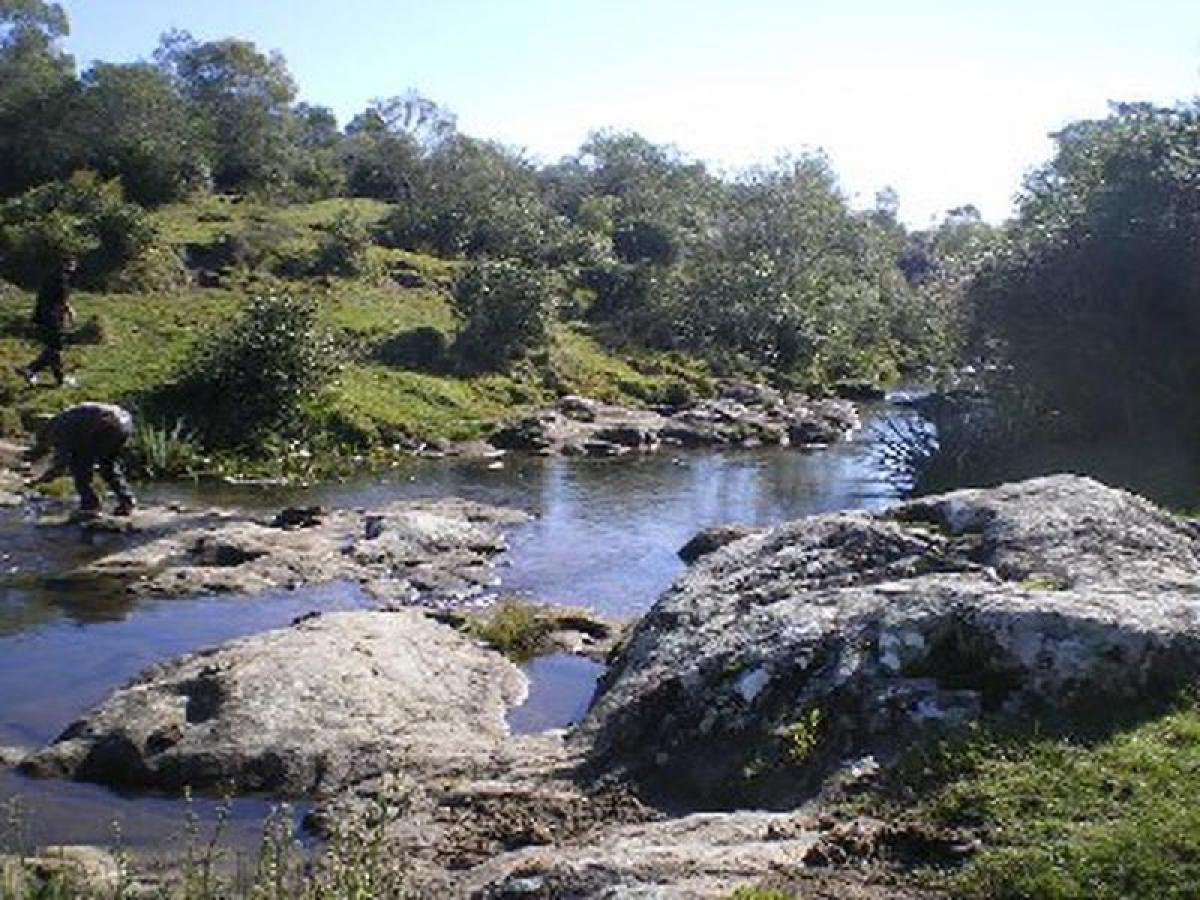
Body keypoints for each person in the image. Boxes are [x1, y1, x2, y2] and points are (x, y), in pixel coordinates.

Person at [24, 402, 136, 517]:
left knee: (79, 465)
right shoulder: (66, 419)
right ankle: (127, 502)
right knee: (107, 465)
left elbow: (60, 465)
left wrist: (38, 481)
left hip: (106, 423)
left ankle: (90, 507)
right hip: (125, 423)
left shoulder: (61, 429)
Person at [17, 260, 77, 387]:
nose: (75, 266)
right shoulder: (60, 279)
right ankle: (30, 369)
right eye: (72, 263)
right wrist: (69, 312)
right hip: (53, 317)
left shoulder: (50, 277)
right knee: (54, 349)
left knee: (54, 349)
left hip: (44, 316)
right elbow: (62, 300)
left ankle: (60, 380)